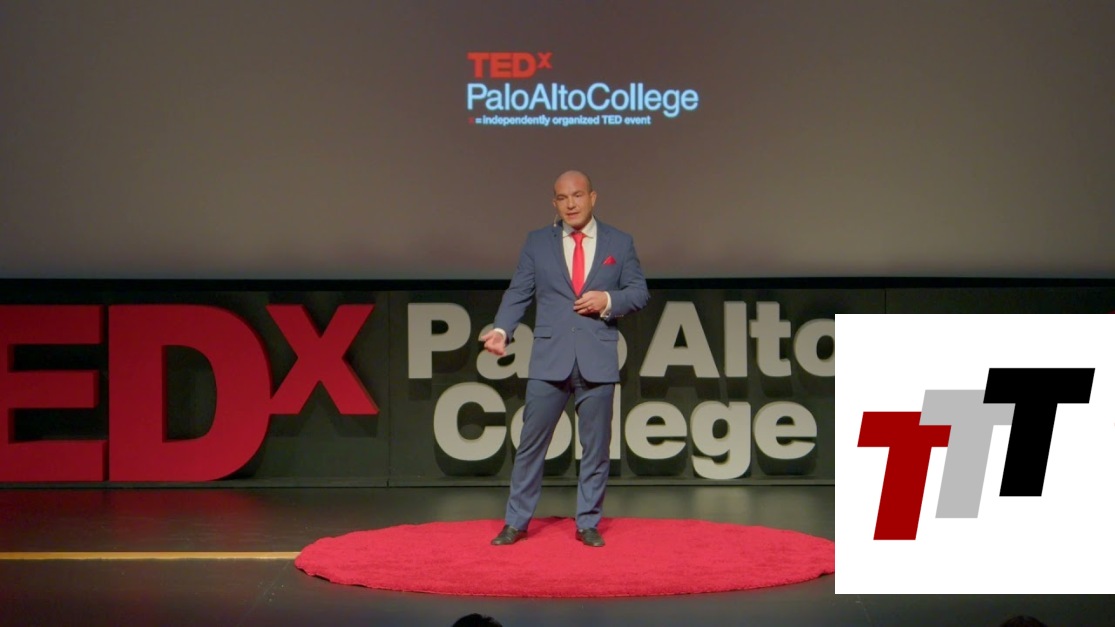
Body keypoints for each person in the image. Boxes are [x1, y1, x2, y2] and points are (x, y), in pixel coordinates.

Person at [480, 170, 649, 548]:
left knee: (596, 448)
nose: (570, 204)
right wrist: (502, 329)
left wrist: (608, 300)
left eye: (577, 195)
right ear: (554, 203)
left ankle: (588, 522)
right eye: (562, 198)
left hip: (597, 358)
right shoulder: (537, 243)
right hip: (549, 358)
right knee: (531, 445)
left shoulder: (619, 243)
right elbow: (518, 292)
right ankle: (516, 522)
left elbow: (639, 292)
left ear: (592, 197)